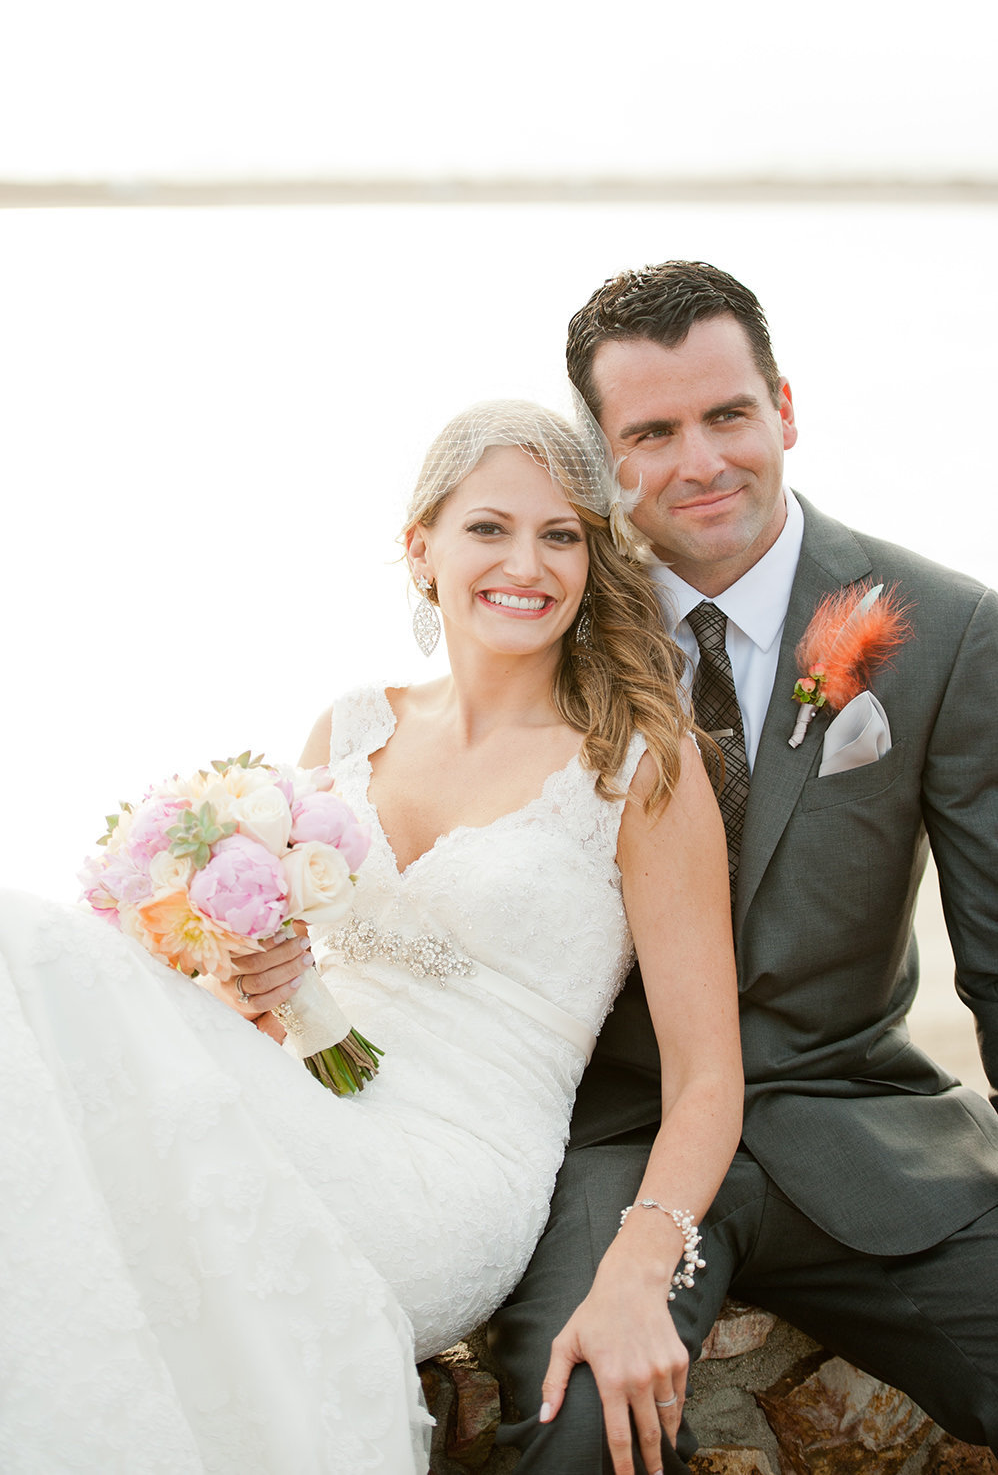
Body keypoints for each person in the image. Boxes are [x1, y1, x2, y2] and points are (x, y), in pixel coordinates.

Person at [0, 399, 742, 1475]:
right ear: (420, 546)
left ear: (589, 557)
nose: (523, 563)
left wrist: (638, 1264)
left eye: (559, 534)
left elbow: (709, 1074)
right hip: (306, 1097)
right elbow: (284, 1007)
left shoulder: (637, 764)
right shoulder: (351, 727)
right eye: (488, 528)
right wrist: (255, 981)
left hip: (444, 1171)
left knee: (31, 956)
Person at [489, 261, 998, 1471]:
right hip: (617, 1145)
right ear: (600, 454)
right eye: (651, 432)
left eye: (727, 415)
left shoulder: (944, 625)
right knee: (574, 1440)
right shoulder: (544, 628)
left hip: (857, 1132)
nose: (702, 460)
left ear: (782, 406)